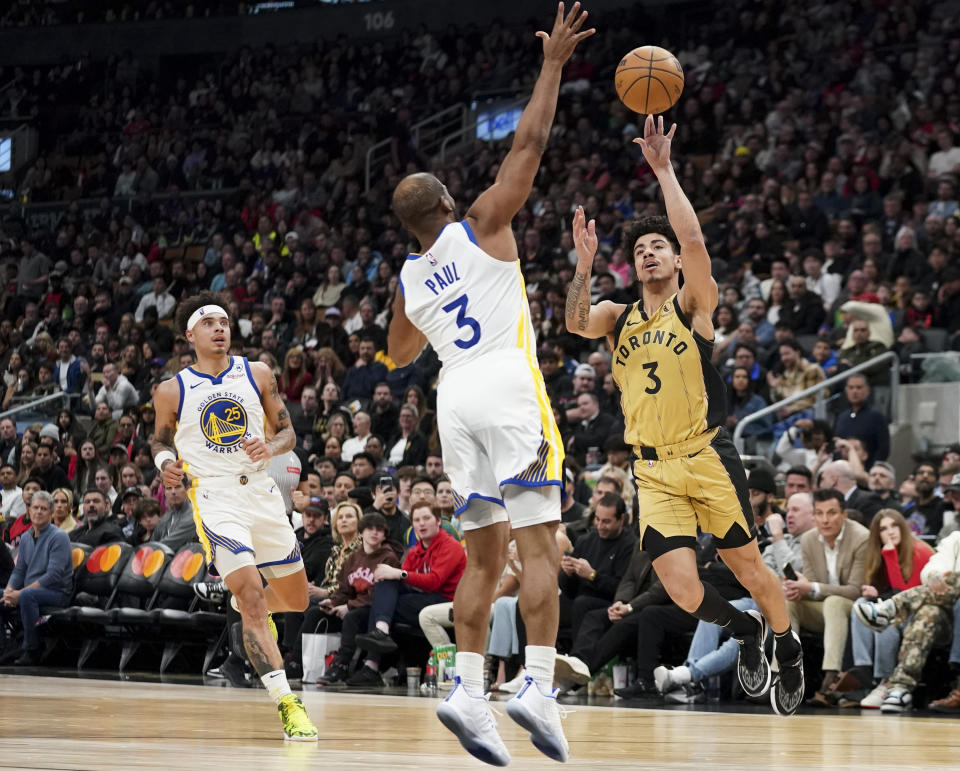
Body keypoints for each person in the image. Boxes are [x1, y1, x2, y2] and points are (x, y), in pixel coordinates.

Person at [385, 5, 594, 763]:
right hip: (508, 381)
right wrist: (552, 66)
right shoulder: (480, 221)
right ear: (446, 202)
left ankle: (469, 692)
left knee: (483, 557)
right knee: (540, 546)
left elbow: (400, 354)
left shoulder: (407, 278)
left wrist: (415, 288)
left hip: (454, 397)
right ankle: (536, 681)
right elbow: (530, 143)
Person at [564, 114, 804, 716]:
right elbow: (572, 320)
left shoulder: (694, 306)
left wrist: (665, 171)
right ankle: (746, 634)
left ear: (673, 260)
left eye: (657, 248)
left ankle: (785, 643)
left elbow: (695, 243)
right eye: (640, 251)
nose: (648, 255)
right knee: (678, 585)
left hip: (705, 455)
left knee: (748, 567)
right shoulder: (618, 315)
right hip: (651, 469)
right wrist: (585, 263)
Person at [150, 292, 317, 742]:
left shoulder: (257, 372)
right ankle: (288, 703)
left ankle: (245, 608)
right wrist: (165, 463)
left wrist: (273, 446)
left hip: (262, 495)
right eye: (209, 323)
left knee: (297, 600)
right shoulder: (172, 389)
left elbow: (287, 432)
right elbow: (159, 441)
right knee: (254, 599)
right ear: (191, 334)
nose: (220, 328)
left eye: (224, 321)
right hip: (216, 499)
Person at [852, 509, 934, 708]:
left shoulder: (920, 551)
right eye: (883, 528)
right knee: (860, 604)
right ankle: (863, 668)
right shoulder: (878, 553)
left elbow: (906, 596)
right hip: (896, 609)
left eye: (894, 526)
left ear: (903, 527)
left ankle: (885, 681)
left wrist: (890, 556)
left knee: (885, 622)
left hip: (921, 613)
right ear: (877, 534)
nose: (890, 532)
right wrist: (873, 591)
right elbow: (887, 592)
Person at [0, 491, 72, 665]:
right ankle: (3, 647)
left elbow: (53, 576)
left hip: (58, 592)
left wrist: (20, 593)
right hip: (31, 591)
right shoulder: (25, 537)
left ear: (51, 512)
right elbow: (19, 571)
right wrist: (10, 590)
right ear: (29, 510)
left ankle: (32, 649)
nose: (39, 512)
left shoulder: (59, 537)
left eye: (44, 509)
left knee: (26, 596)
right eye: (36, 508)